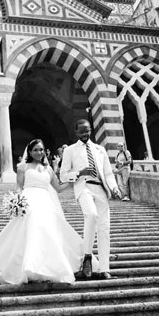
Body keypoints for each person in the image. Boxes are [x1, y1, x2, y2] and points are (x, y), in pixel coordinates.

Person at [0, 139, 92, 284]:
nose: (39, 152)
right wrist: (17, 200)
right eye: (36, 150)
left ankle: (46, 267)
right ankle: (29, 266)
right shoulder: (22, 167)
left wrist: (76, 177)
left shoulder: (48, 169)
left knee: (49, 231)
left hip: (46, 202)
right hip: (29, 200)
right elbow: (19, 186)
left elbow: (59, 189)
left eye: (41, 150)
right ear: (30, 152)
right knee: (32, 229)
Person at [60, 119, 121, 280]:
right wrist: (79, 173)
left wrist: (114, 187)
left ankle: (104, 269)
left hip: (101, 189)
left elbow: (108, 173)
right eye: (81, 132)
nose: (84, 134)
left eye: (86, 131)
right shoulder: (70, 151)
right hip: (84, 187)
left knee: (104, 229)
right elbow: (63, 175)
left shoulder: (100, 150)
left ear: (91, 130)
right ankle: (87, 256)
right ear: (76, 133)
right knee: (91, 215)